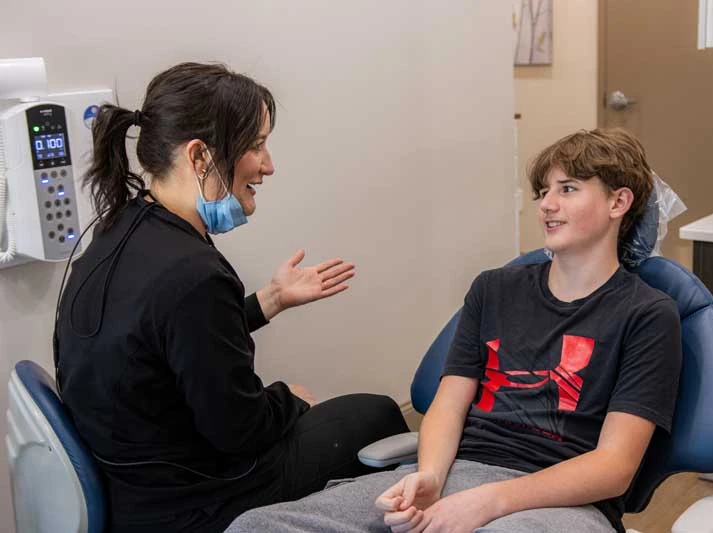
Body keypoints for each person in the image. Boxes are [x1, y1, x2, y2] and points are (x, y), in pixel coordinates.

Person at [224, 128, 682, 533]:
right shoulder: (495, 289)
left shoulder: (647, 315)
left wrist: (488, 502)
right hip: (459, 473)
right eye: (543, 191)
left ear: (618, 202)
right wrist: (429, 477)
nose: (546, 204)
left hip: (560, 500)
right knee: (259, 524)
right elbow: (449, 400)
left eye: (568, 188)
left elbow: (614, 467)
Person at [54, 62, 409, 533]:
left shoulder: (120, 228)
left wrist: (269, 301)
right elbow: (240, 433)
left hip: (135, 489)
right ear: (200, 156)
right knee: (377, 412)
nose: (268, 165)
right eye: (257, 145)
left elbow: (166, 343)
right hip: (198, 501)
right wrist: (291, 399)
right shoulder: (191, 272)